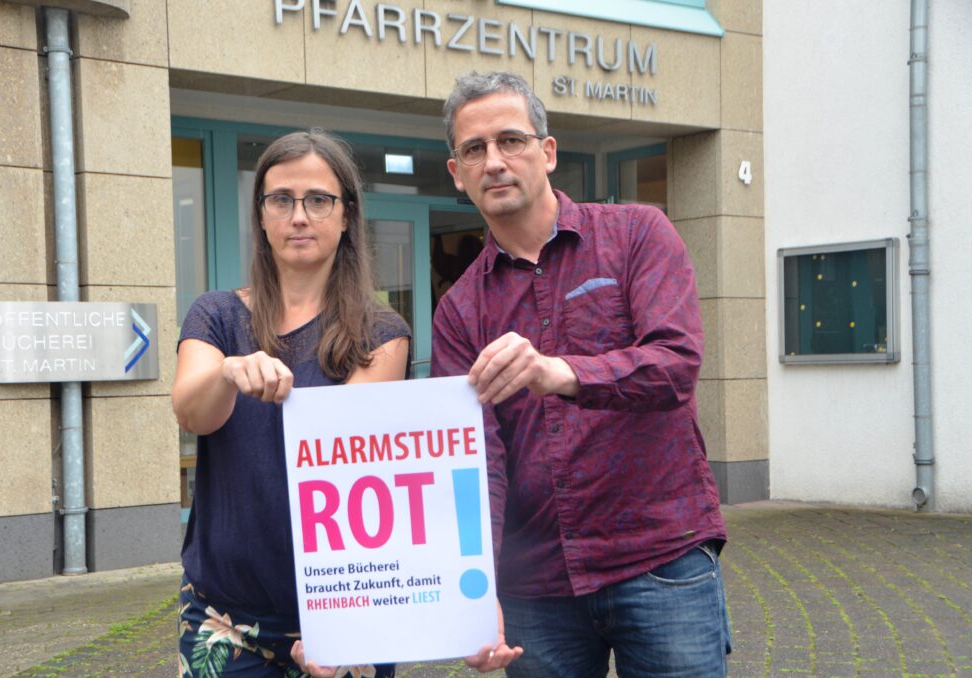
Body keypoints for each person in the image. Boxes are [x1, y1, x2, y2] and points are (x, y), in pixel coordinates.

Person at [431, 71, 731, 677]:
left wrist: (560, 371)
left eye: (510, 140)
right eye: (474, 149)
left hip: (660, 557)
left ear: (547, 152)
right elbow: (474, 461)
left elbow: (675, 365)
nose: (494, 161)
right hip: (537, 585)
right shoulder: (460, 309)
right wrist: (476, 589)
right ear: (456, 173)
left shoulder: (637, 236)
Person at [172, 130, 410, 677]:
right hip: (223, 617)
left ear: (347, 215)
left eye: (318, 200)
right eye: (281, 199)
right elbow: (191, 411)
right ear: (261, 215)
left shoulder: (380, 332)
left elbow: (351, 472)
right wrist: (229, 372)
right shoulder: (215, 315)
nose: (298, 216)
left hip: (347, 610)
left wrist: (337, 615)